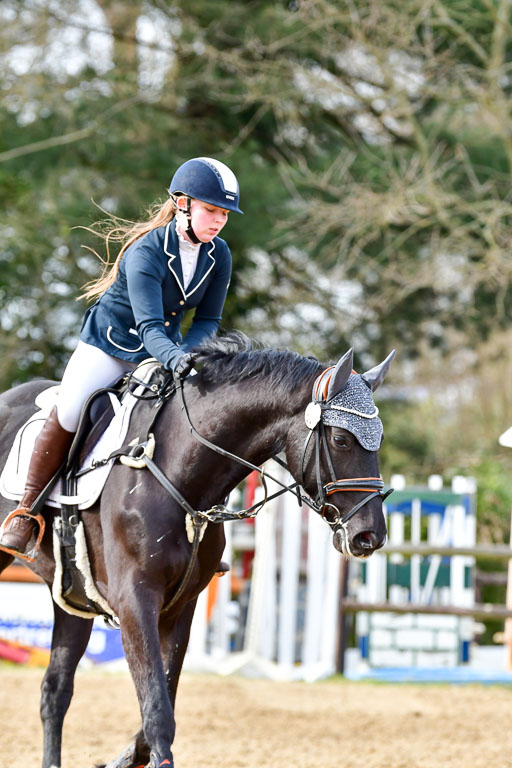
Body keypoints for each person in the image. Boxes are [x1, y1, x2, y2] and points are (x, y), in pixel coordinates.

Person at [0, 156, 242, 559]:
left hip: (164, 350)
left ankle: (195, 533)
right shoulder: (145, 251)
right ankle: (25, 511)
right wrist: (174, 357)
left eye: (224, 214)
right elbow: (148, 325)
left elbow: (209, 319)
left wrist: (189, 354)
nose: (218, 221)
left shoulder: (219, 256)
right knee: (73, 407)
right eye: (211, 210)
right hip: (110, 346)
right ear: (182, 204)